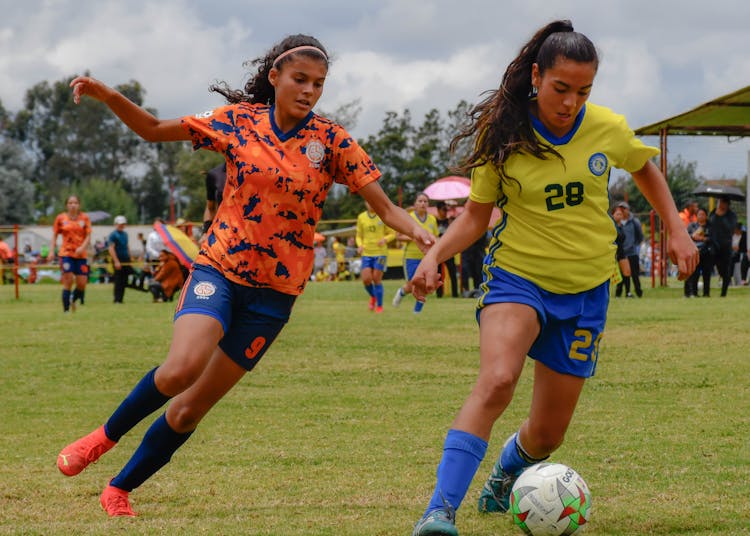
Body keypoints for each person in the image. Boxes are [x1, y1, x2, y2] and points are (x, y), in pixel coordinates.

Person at [60, 34, 434, 518]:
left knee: (191, 408)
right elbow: (152, 129)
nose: (309, 91)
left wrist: (424, 237)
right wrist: (109, 95)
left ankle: (119, 489)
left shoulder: (333, 141)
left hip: (275, 298)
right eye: (300, 79)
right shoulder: (239, 123)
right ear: (275, 77)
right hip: (220, 269)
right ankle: (101, 439)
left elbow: (384, 208)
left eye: (318, 84)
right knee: (180, 370)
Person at [407, 20, 698, 536]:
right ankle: (439, 512)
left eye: (583, 91)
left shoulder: (606, 127)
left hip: (587, 290)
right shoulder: (503, 135)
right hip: (517, 278)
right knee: (497, 381)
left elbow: (645, 168)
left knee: (546, 435)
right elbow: (476, 216)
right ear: (537, 76)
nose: (570, 102)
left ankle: (504, 477)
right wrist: (436, 257)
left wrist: (676, 228)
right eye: (561, 88)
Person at [392, 192, 439, 313]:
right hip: (411, 257)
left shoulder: (432, 219)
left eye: (425, 201)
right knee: (411, 285)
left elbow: (436, 237)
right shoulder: (410, 217)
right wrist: (416, 237)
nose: (423, 204)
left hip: (426, 258)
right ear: (415, 204)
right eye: (420, 201)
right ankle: (401, 292)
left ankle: (417, 311)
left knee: (425, 284)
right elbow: (398, 236)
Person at [48, 195, 92, 312]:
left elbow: (88, 235)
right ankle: (66, 310)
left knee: (82, 283)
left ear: (79, 205)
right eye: (70, 203)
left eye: (75, 203)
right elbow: (54, 235)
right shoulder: (61, 218)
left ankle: (72, 298)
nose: (73, 205)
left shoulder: (84, 218)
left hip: (80, 255)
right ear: (67, 205)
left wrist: (82, 247)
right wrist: (52, 251)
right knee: (68, 280)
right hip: (66, 254)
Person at [356, 199, 395, 312]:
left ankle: (380, 306)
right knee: (366, 279)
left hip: (380, 253)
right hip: (367, 253)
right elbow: (358, 235)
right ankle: (373, 296)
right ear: (365, 203)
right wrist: (360, 245)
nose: (370, 203)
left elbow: (392, 234)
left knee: (376, 279)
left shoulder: (383, 215)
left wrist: (385, 239)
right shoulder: (361, 217)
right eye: (368, 201)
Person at [708, 196, 737, 297]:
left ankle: (723, 293)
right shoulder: (713, 213)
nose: (720, 204)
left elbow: (730, 228)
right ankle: (706, 292)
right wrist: (716, 215)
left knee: (724, 271)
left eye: (722, 202)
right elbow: (710, 224)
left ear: (727, 204)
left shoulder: (732, 215)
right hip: (713, 245)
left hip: (725, 246)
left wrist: (722, 216)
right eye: (719, 202)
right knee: (708, 268)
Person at [614, 201, 644, 298]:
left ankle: (638, 291)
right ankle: (620, 293)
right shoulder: (616, 224)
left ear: (628, 210)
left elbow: (640, 236)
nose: (621, 211)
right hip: (620, 252)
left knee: (634, 274)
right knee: (622, 275)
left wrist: (634, 245)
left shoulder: (634, 222)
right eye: (619, 209)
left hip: (631, 252)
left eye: (623, 209)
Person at [435, 201, 459, 298]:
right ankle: (439, 294)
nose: (445, 212)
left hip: (448, 250)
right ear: (438, 210)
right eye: (443, 210)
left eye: (446, 210)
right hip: (438, 251)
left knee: (453, 273)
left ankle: (455, 294)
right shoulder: (434, 221)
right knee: (438, 274)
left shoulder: (450, 221)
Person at [108, 215, 132, 304]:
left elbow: (127, 246)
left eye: (123, 224)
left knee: (124, 280)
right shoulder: (113, 235)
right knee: (118, 280)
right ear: (116, 224)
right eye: (120, 224)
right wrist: (116, 261)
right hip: (118, 260)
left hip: (126, 260)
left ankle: (121, 298)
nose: (121, 226)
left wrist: (130, 258)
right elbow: (111, 248)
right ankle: (117, 299)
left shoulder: (125, 234)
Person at [200, 164, 227, 242]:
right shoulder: (214, 174)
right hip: (224, 231)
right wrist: (205, 232)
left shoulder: (255, 170)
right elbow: (210, 207)